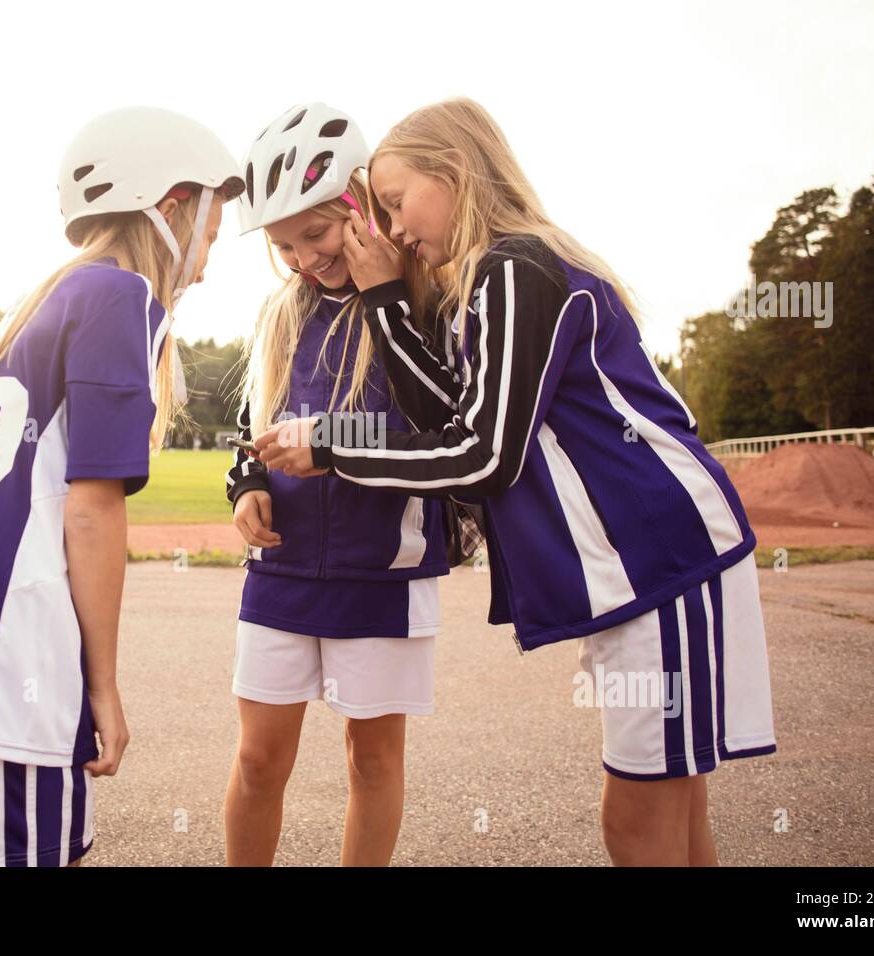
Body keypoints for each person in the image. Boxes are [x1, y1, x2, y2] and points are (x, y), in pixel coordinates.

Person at [253, 97, 776, 866]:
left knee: (640, 822)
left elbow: (478, 458)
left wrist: (333, 446)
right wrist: (388, 302)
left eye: (397, 203)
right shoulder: (495, 277)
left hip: (660, 557)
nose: (395, 228)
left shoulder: (512, 269)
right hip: (640, 570)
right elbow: (450, 418)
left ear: (456, 173)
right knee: (675, 807)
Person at [0, 106, 243, 866]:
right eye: (210, 235)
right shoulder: (121, 298)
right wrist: (104, 686)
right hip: (10, 635)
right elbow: (92, 507)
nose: (208, 263)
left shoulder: (34, 306)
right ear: (173, 205)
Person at [224, 103, 449, 866]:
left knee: (372, 761)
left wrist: (331, 442)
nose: (299, 258)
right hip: (282, 568)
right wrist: (247, 481)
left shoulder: (424, 296)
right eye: (282, 244)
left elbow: (443, 430)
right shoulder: (283, 312)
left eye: (313, 236)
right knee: (258, 761)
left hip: (381, 571)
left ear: (359, 203)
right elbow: (256, 426)